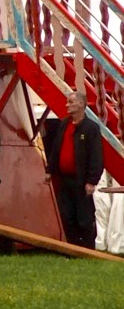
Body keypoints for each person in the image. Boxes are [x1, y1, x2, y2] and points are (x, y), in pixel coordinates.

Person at [42, 87, 103, 249]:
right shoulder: (64, 125)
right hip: (64, 179)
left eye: (70, 102)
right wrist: (50, 170)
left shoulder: (91, 128)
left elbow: (96, 156)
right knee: (67, 216)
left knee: (84, 217)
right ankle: (73, 247)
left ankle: (89, 249)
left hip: (81, 181)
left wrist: (91, 181)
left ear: (81, 104)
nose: (67, 105)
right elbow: (56, 148)